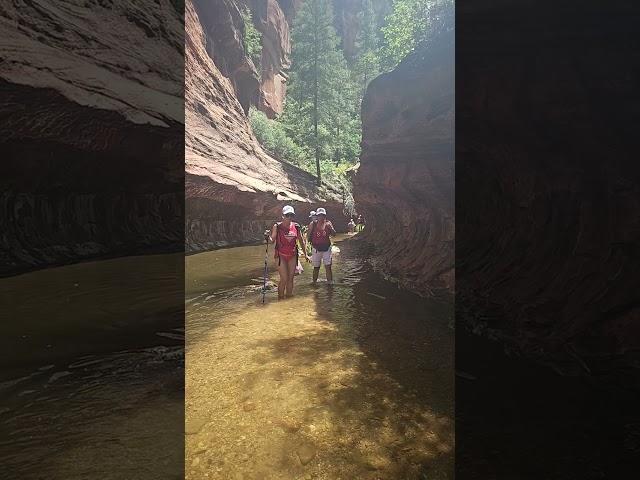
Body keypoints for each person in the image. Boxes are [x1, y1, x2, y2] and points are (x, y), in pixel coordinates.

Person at [264, 205, 310, 299]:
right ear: (282, 216)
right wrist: (267, 237)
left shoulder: (296, 226)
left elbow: (301, 241)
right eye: (287, 215)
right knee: (284, 279)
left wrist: (306, 255)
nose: (289, 217)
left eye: (291, 215)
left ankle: (289, 299)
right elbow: (272, 240)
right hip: (280, 256)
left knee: (290, 279)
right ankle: (280, 299)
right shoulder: (277, 226)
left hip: (292, 255)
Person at [307, 207, 336, 284]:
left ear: (325, 216)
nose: (321, 217)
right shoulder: (312, 224)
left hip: (326, 248)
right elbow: (308, 236)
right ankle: (314, 283)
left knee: (328, 267)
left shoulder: (328, 224)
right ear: (317, 216)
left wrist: (331, 228)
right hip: (316, 248)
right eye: (319, 215)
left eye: (323, 215)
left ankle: (330, 283)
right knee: (316, 267)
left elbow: (334, 234)